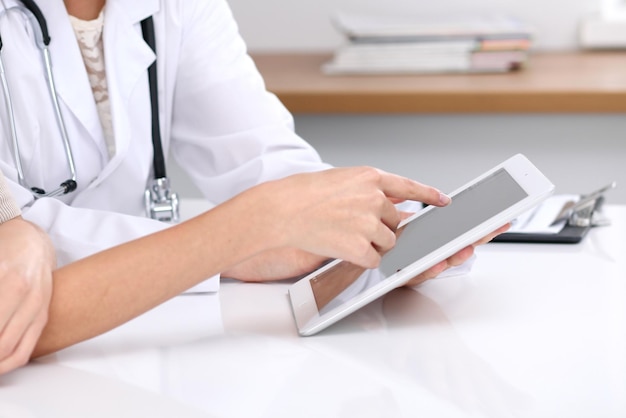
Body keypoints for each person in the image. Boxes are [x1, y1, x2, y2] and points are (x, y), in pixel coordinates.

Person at [0, 167, 507, 375]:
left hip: (144, 351)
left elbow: (264, 155)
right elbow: (11, 301)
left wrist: (350, 234)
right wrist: (250, 228)